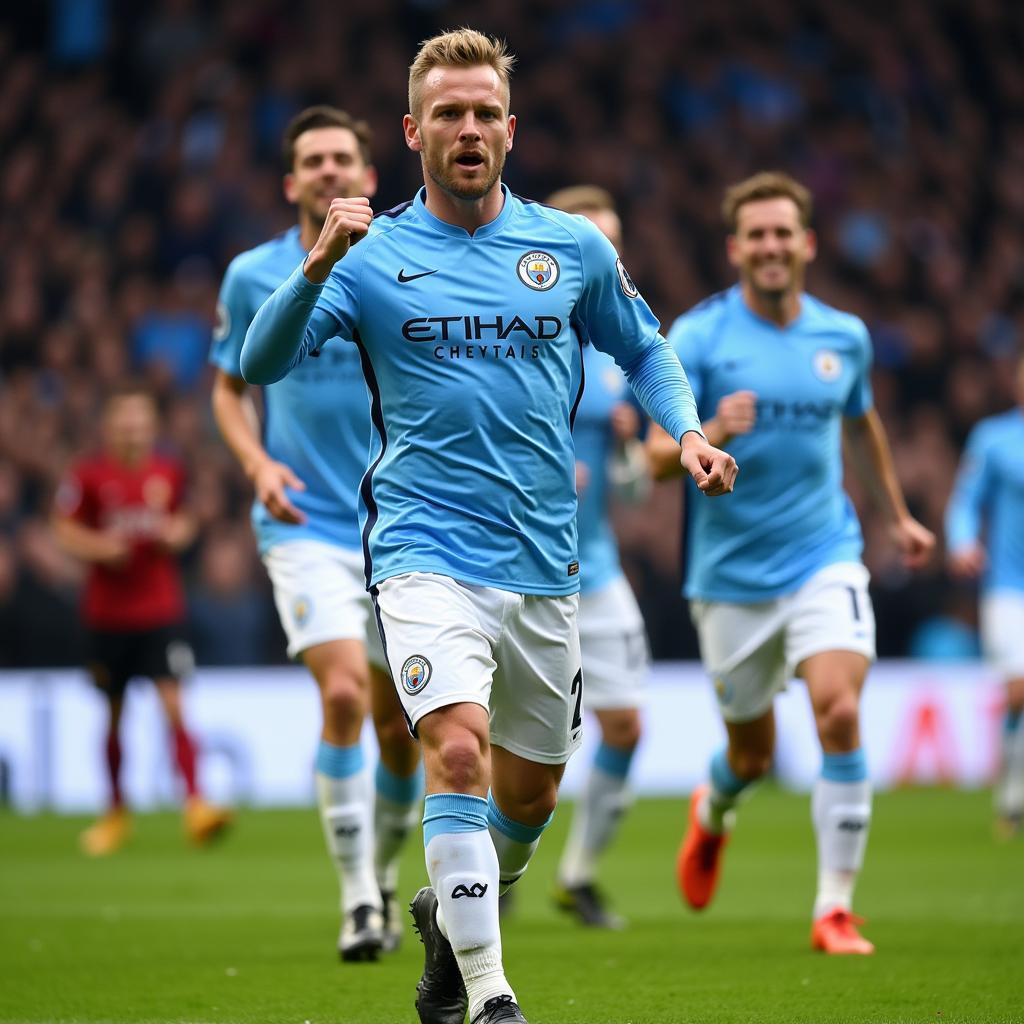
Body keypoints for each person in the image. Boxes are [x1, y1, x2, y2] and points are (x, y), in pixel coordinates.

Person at [241, 29, 736, 1024]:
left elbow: (643, 348)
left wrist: (684, 433)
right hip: (422, 552)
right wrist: (312, 265)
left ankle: (443, 920)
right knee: (455, 752)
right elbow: (261, 362)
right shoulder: (370, 255)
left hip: (546, 561)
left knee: (532, 792)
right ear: (414, 130)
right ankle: (491, 994)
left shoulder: (570, 247)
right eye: (448, 114)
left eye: (484, 113)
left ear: (510, 130)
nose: (467, 129)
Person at [647, 171, 935, 955]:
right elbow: (651, 458)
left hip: (824, 554)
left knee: (839, 711)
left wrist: (898, 516)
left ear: (806, 244)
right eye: (757, 235)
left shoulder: (842, 337)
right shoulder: (699, 338)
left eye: (785, 234)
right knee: (754, 753)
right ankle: (714, 810)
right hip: (731, 580)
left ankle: (834, 909)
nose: (772, 247)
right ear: (736, 247)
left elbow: (862, 425)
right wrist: (706, 431)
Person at [210, 105, 422, 962]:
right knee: (341, 697)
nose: (330, 171)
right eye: (313, 160)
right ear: (291, 183)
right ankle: (355, 906)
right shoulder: (253, 275)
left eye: (345, 159)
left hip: (403, 523)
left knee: (404, 732)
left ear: (370, 179)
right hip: (304, 523)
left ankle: (380, 869)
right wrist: (257, 463)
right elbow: (228, 386)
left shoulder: (409, 264)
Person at [52, 385, 232, 854]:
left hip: (159, 609)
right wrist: (98, 547)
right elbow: (64, 528)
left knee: (174, 705)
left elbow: (188, 517)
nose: (133, 428)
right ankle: (114, 813)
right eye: (124, 419)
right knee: (113, 714)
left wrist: (178, 532)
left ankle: (196, 805)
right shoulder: (88, 475)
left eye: (140, 419)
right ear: (109, 425)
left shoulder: (167, 471)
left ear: (151, 425)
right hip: (107, 615)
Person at [543, 185, 650, 930]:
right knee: (498, 740)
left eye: (613, 242)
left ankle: (577, 874)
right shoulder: (521, 333)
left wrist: (630, 454)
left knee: (625, 728)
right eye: (591, 239)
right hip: (515, 565)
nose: (603, 255)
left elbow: (634, 488)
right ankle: (488, 869)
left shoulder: (618, 353)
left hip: (599, 565)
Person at [946, 352, 1024, 837]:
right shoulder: (995, 440)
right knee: (1018, 691)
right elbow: (965, 501)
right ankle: (1013, 798)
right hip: (1009, 588)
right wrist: (961, 541)